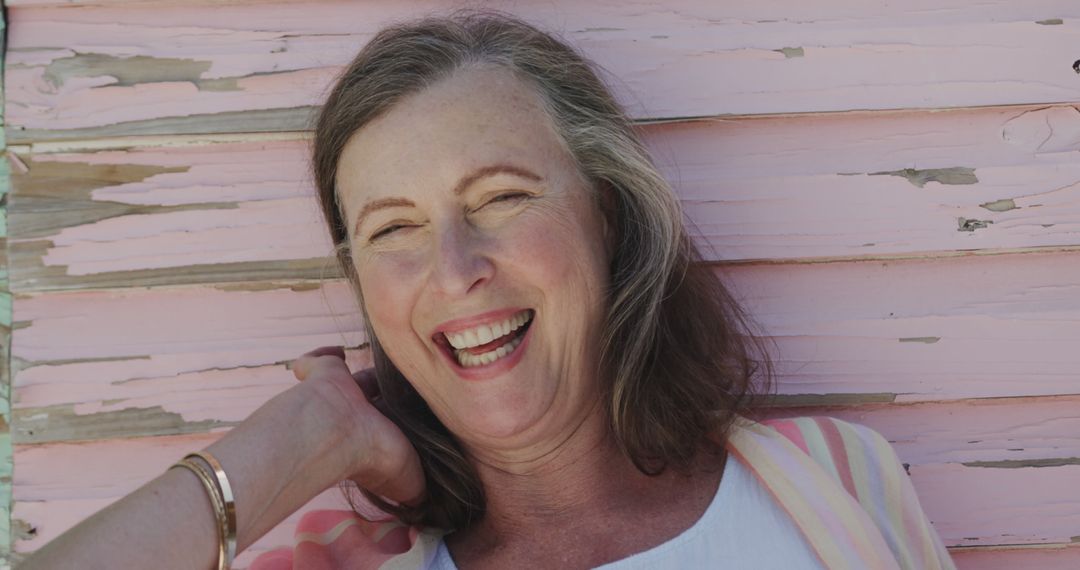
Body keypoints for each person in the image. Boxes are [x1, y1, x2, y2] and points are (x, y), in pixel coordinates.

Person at [21, 11, 955, 570]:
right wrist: (298, 438)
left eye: (501, 199)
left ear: (609, 217)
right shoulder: (332, 564)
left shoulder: (831, 484)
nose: (456, 268)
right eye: (394, 230)